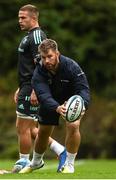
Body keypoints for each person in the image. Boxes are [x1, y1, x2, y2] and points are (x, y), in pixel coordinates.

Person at [19, 39, 90, 174]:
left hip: (71, 99)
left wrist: (83, 104)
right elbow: (43, 94)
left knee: (73, 125)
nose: (46, 61)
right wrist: (57, 107)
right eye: (44, 57)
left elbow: (83, 89)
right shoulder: (38, 72)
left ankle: (69, 164)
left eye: (50, 56)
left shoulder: (72, 66)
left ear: (57, 54)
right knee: (43, 132)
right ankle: (36, 162)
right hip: (50, 101)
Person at [12, 5, 66, 173]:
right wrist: (20, 87)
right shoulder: (29, 36)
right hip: (26, 86)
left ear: (34, 18)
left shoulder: (36, 35)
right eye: (19, 17)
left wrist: (36, 89)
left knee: (24, 127)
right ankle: (60, 150)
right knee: (32, 128)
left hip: (32, 87)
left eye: (23, 18)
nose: (19, 21)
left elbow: (41, 63)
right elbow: (27, 65)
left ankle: (24, 162)